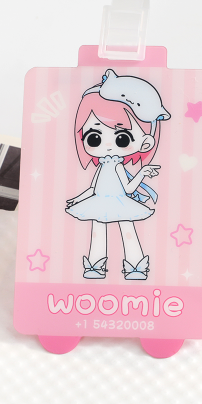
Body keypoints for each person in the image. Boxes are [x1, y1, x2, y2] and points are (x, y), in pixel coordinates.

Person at [65, 69, 170, 280]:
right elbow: (93, 188)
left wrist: (141, 173)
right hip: (98, 200)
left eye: (122, 138)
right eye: (94, 137)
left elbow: (128, 188)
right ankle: (95, 267)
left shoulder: (117, 166)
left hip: (120, 201)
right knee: (98, 232)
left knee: (127, 230)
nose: (107, 146)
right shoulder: (105, 165)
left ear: (145, 142)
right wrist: (77, 199)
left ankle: (136, 267)